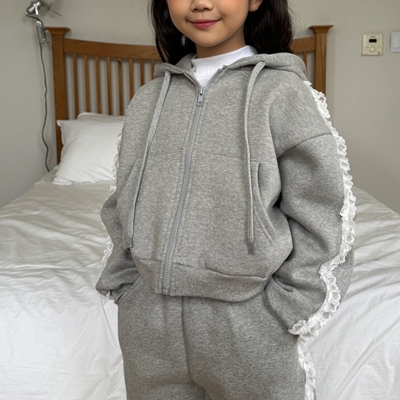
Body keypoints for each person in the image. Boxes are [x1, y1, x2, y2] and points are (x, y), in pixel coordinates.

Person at [96, 0, 356, 399]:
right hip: (149, 325)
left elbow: (322, 207)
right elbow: (125, 197)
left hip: (248, 323)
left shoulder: (282, 92)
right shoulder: (149, 99)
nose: (201, 3)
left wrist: (288, 306)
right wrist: (127, 286)